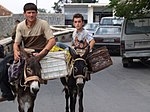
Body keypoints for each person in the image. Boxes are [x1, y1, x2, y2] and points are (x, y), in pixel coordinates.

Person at [0, 3, 56, 102]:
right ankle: (7, 94)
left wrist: (42, 54)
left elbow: (52, 40)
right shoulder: (20, 26)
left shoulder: (43, 24)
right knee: (2, 67)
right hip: (25, 53)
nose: (31, 15)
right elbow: (16, 43)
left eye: (33, 13)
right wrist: (16, 52)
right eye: (29, 13)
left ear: (37, 13)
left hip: (39, 52)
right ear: (24, 14)